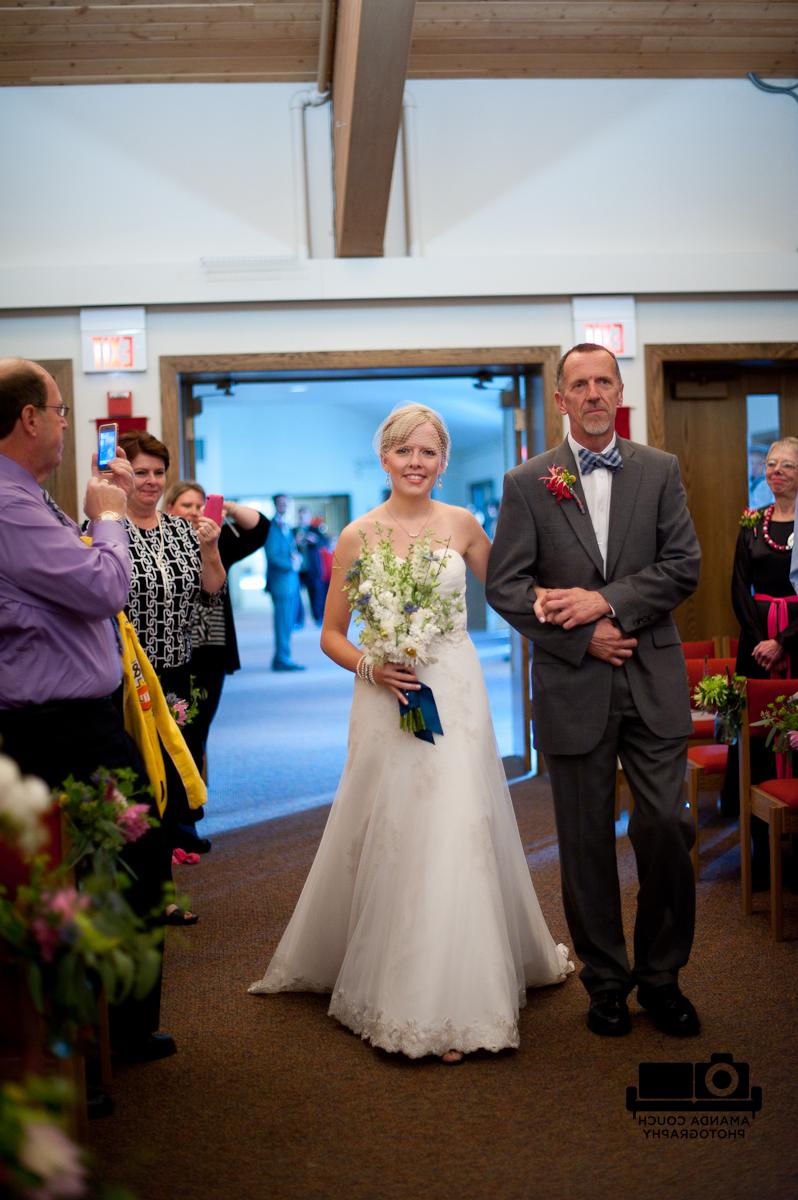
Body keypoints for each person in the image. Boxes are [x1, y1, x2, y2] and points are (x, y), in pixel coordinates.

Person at [249, 403, 572, 1063]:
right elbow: (332, 634)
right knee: (397, 825)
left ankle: (454, 993)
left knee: (456, 823)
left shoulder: (463, 523)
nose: (416, 463)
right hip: (387, 693)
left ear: (443, 460)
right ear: (385, 459)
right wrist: (374, 663)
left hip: (453, 687)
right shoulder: (358, 536)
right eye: (404, 452)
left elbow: (513, 591)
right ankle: (402, 985)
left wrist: (569, 609)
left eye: (427, 452)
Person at [486, 343, 701, 1039]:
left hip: (652, 673)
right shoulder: (528, 481)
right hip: (573, 682)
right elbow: (507, 587)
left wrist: (603, 605)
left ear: (619, 389)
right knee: (583, 842)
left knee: (666, 825)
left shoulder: (660, 470)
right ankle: (606, 981)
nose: (594, 393)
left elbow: (683, 566)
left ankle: (662, 978)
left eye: (604, 380)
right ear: (561, 398)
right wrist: (583, 636)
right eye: (579, 384)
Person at [0, 357, 176, 1062]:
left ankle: (106, 1030)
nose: (68, 423)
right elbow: (104, 590)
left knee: (115, 868)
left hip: (71, 719)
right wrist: (107, 521)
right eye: (62, 409)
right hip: (57, 730)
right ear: (30, 419)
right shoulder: (10, 504)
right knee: (127, 867)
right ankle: (105, 1038)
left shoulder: (28, 496)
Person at [117, 432, 225, 861]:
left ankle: (171, 848)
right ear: (121, 473)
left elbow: (211, 590)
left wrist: (211, 547)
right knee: (138, 771)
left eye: (158, 472)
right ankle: (139, 862)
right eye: (140, 471)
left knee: (176, 759)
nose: (150, 481)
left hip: (178, 665)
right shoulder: (104, 528)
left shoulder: (182, 530)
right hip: (128, 673)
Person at [164, 480, 270, 775]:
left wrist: (227, 507)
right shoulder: (158, 541)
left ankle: (194, 795)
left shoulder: (218, 541)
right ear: (170, 508)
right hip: (173, 652)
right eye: (187, 506)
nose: (195, 512)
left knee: (199, 727)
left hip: (212, 650)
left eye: (200, 506)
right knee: (176, 727)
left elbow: (261, 529)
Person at [264, 493, 304, 671]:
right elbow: (273, 556)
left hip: (290, 582)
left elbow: (289, 550)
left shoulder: (285, 525)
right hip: (281, 583)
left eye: (286, 503)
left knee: (288, 623)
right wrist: (291, 564)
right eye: (281, 503)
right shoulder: (272, 527)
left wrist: (297, 558)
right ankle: (282, 658)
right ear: (275, 504)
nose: (284, 506)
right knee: (282, 623)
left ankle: (283, 656)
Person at [293, 505, 329, 625]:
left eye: (305, 516)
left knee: (316, 594)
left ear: (309, 517)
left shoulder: (315, 530)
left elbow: (325, 543)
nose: (303, 518)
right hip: (298, 570)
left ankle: (318, 618)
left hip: (313, 568)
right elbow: (288, 546)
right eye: (301, 516)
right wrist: (295, 542)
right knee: (296, 596)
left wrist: (315, 540)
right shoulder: (293, 531)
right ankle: (299, 620)